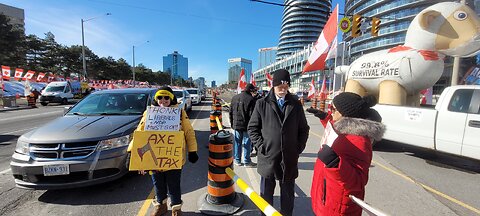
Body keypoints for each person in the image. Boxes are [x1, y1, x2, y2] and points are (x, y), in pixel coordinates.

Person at [309, 92, 385, 216]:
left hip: (337, 207)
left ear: (345, 115)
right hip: (326, 197)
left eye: (333, 109)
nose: (331, 111)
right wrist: (325, 118)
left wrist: (335, 164)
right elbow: (335, 132)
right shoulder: (343, 128)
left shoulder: (359, 141)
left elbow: (358, 182)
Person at [248, 69, 310, 216]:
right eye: (280, 87)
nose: (283, 90)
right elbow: (252, 128)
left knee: (288, 196)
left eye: (286, 86)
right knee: (266, 195)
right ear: (273, 85)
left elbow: (304, 129)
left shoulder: (295, 104)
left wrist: (298, 148)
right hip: (268, 158)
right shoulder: (262, 103)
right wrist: (261, 146)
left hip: (289, 158)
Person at [131, 86, 198, 216]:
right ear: (156, 99)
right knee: (158, 184)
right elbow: (139, 132)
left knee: (174, 185)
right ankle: (161, 206)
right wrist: (133, 152)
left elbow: (189, 132)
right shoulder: (149, 113)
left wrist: (192, 150)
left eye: (166, 97)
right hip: (153, 157)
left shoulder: (179, 112)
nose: (163, 100)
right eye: (160, 97)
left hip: (173, 156)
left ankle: (176, 209)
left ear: (171, 98)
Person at [229, 83, 257, 167]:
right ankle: (246, 161)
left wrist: (232, 124)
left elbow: (230, 112)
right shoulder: (251, 99)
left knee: (237, 142)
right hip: (246, 125)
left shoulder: (234, 98)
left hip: (236, 125)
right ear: (250, 90)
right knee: (247, 143)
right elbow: (253, 115)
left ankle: (237, 160)